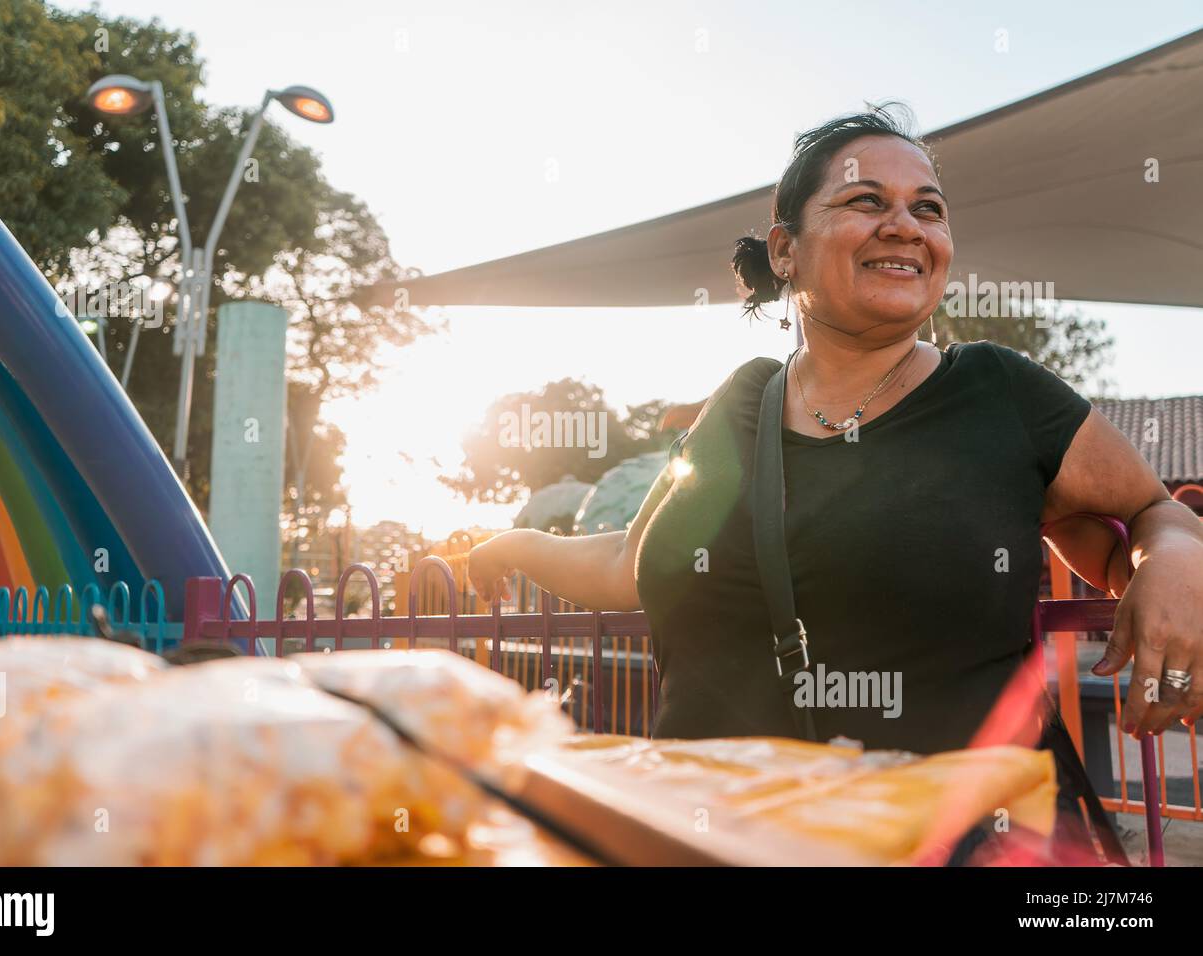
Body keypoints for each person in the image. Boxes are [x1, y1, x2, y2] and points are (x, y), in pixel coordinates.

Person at [467, 104, 1203, 857]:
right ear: (785, 250)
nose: (906, 226)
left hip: (951, 841)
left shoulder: (999, 393)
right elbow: (630, 561)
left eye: (929, 209)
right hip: (708, 835)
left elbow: (1148, 511)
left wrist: (1175, 553)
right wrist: (517, 544)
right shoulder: (741, 405)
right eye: (865, 201)